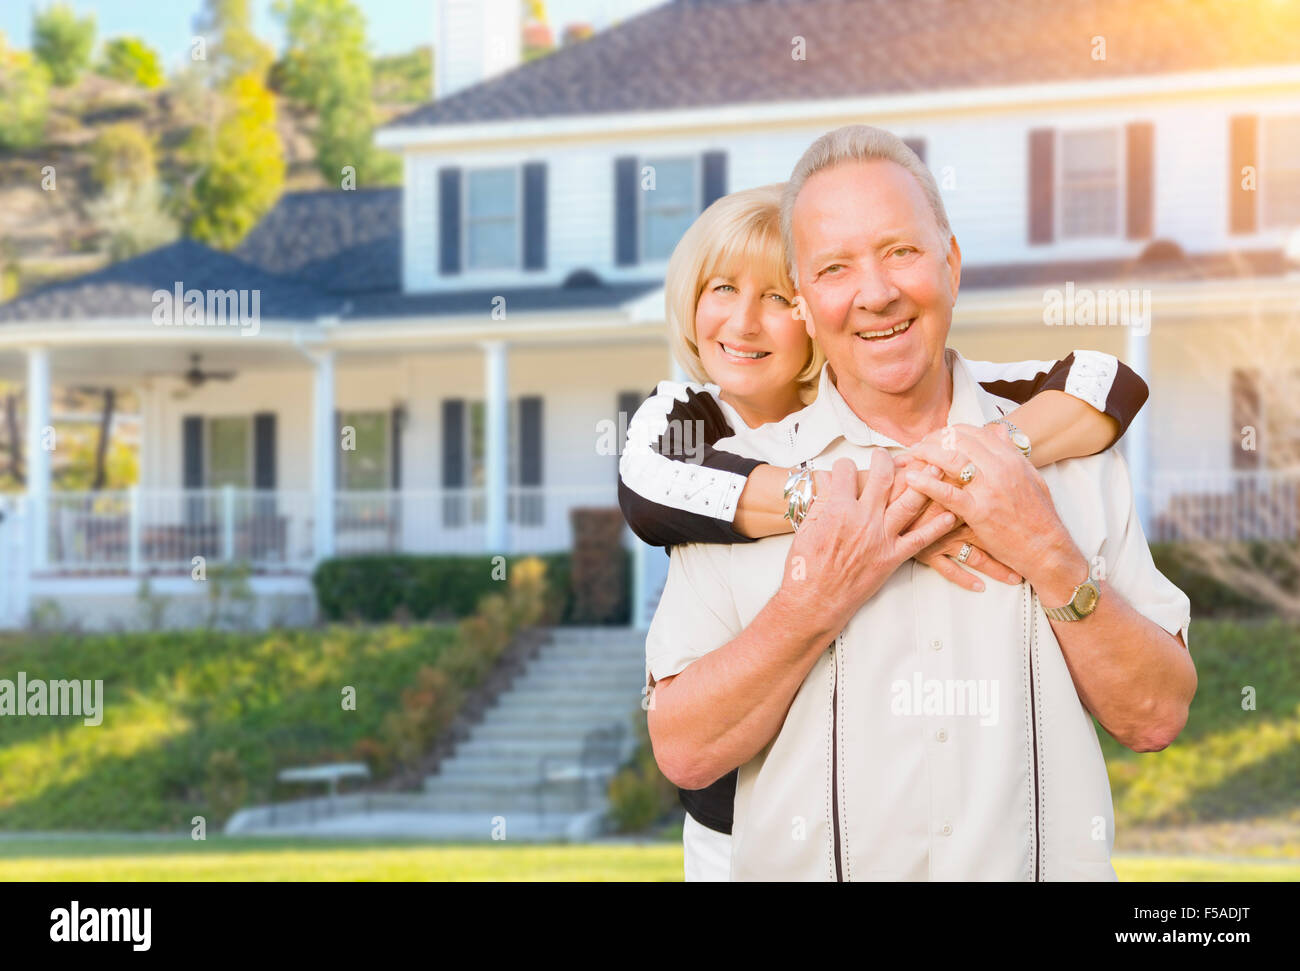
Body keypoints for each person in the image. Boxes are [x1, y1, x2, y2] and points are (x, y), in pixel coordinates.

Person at [642, 125, 1195, 881]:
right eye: (836, 268)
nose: (876, 293)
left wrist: (1047, 549)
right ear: (805, 302)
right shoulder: (739, 484)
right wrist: (816, 599)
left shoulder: (1069, 451)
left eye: (901, 251)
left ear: (951, 263)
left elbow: (1156, 714)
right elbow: (683, 746)